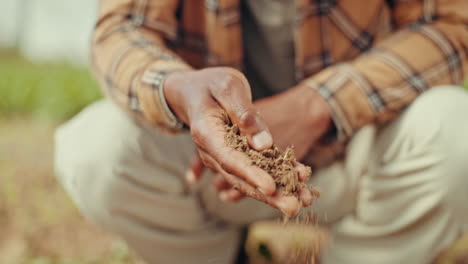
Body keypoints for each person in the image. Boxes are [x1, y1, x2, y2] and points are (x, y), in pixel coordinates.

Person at [54, 0, 468, 263]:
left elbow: (449, 26)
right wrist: (181, 91)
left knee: (456, 133)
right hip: (209, 167)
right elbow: (121, 28)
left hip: (359, 152)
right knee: (97, 151)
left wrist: (316, 105)